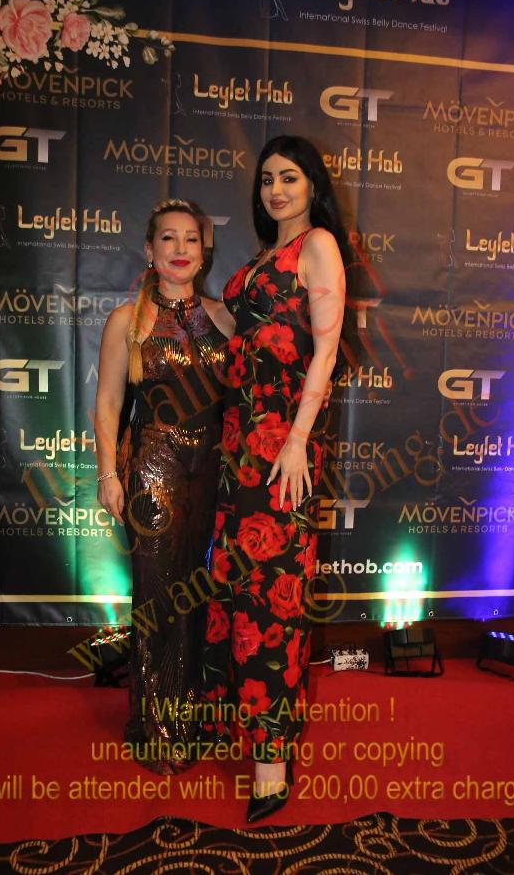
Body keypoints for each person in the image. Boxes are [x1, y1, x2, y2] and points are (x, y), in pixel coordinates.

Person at [200, 135, 346, 822]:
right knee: (237, 590)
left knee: (272, 602)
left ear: (312, 184)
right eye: (266, 180)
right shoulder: (262, 258)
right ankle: (243, 731)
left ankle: (271, 765)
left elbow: (326, 348)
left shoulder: (317, 245)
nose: (276, 190)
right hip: (238, 446)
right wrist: (182, 296)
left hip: (282, 448)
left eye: (289, 177)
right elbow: (241, 330)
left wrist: (296, 441)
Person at [94, 199, 232, 775]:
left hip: (212, 476)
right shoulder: (127, 322)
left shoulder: (226, 320)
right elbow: (107, 404)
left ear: (203, 252)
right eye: (168, 239)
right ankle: (155, 727)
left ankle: (191, 719)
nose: (180, 249)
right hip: (153, 469)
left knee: (199, 596)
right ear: (149, 250)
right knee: (156, 599)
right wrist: (108, 473)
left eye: (191, 239)